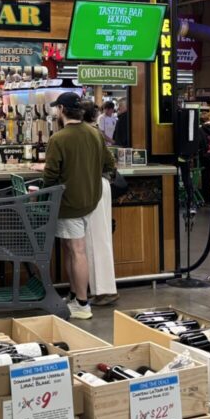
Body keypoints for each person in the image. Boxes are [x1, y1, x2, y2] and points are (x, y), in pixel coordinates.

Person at [42, 91, 116, 319]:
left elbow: (51, 175)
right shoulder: (94, 133)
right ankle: (74, 296)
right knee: (71, 249)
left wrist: (44, 193)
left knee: (76, 250)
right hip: (89, 201)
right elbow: (109, 163)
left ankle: (83, 305)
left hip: (68, 203)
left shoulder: (59, 139)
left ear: (61, 110)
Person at [82, 101, 119, 306]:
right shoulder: (95, 133)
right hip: (102, 185)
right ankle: (102, 289)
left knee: (96, 239)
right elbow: (110, 162)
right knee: (99, 238)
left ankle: (104, 290)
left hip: (93, 187)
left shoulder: (86, 134)